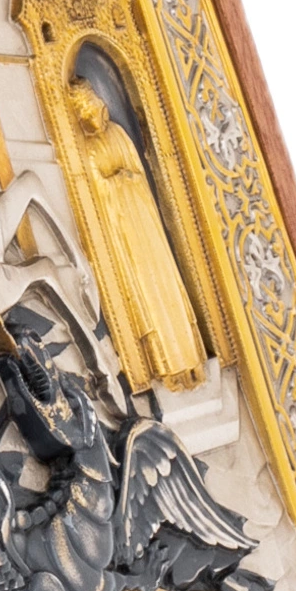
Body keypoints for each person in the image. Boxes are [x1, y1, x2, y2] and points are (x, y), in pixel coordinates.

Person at [70, 82, 206, 390]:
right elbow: (100, 192)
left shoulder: (118, 134)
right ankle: (167, 367)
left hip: (146, 224)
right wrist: (120, 182)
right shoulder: (88, 150)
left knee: (168, 285)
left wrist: (126, 180)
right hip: (126, 233)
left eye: (93, 104)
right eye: (85, 110)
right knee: (148, 295)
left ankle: (192, 359)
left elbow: (138, 175)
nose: (93, 112)